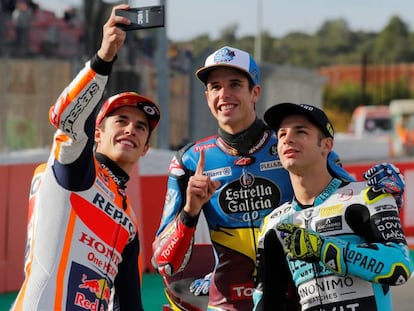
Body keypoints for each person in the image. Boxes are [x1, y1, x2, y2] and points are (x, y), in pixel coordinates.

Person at [151, 46, 406, 311]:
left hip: (300, 296)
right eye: (215, 87)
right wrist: (190, 213)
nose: (224, 94)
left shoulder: (293, 145)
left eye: (235, 84)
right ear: (207, 96)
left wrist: (391, 196)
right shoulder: (189, 160)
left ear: (255, 93)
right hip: (227, 301)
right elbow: (165, 262)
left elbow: (355, 204)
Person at [11, 4, 161, 310]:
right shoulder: (75, 170)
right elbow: (65, 117)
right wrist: (104, 57)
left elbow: (130, 304)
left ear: (146, 147)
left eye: (140, 127)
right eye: (121, 121)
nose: (131, 130)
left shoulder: (129, 222)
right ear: (97, 133)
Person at [253, 103, 413, 311]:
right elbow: (267, 302)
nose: (288, 139)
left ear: (326, 145)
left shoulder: (366, 195)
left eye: (300, 132)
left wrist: (324, 249)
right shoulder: (272, 224)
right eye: (282, 134)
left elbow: (399, 266)